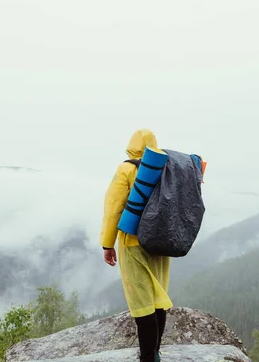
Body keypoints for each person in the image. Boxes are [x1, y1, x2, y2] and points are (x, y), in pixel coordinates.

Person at [99, 128, 172, 362]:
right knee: (158, 296)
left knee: (142, 303)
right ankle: (156, 351)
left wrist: (107, 244)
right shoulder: (167, 167)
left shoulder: (126, 169)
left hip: (134, 243)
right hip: (161, 243)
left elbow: (114, 209)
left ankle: (148, 357)